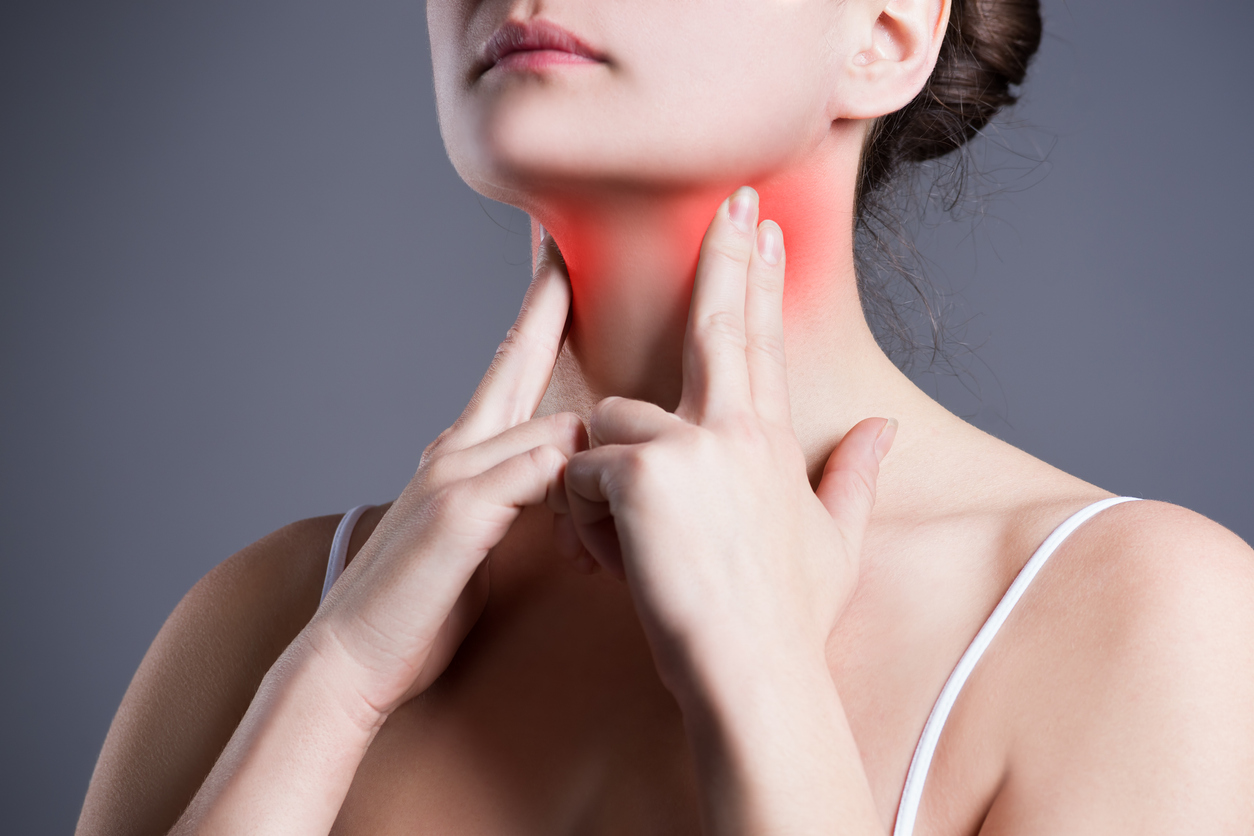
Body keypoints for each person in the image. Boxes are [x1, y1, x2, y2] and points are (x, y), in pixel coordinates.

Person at [77, 0, 1254, 833]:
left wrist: (766, 689)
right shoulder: (272, 621)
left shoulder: (1146, 627)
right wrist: (329, 685)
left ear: (888, 29)